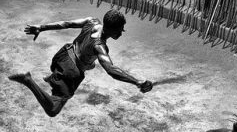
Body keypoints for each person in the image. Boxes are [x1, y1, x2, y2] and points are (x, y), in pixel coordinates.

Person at [9, 9, 153, 117]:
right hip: (70, 71)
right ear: (110, 29)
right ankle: (28, 80)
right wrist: (137, 81)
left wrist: (42, 27)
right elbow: (111, 69)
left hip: (63, 55)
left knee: (90, 65)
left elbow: (65, 24)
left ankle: (55, 80)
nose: (121, 33)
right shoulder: (100, 46)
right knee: (53, 109)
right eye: (119, 31)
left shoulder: (92, 21)